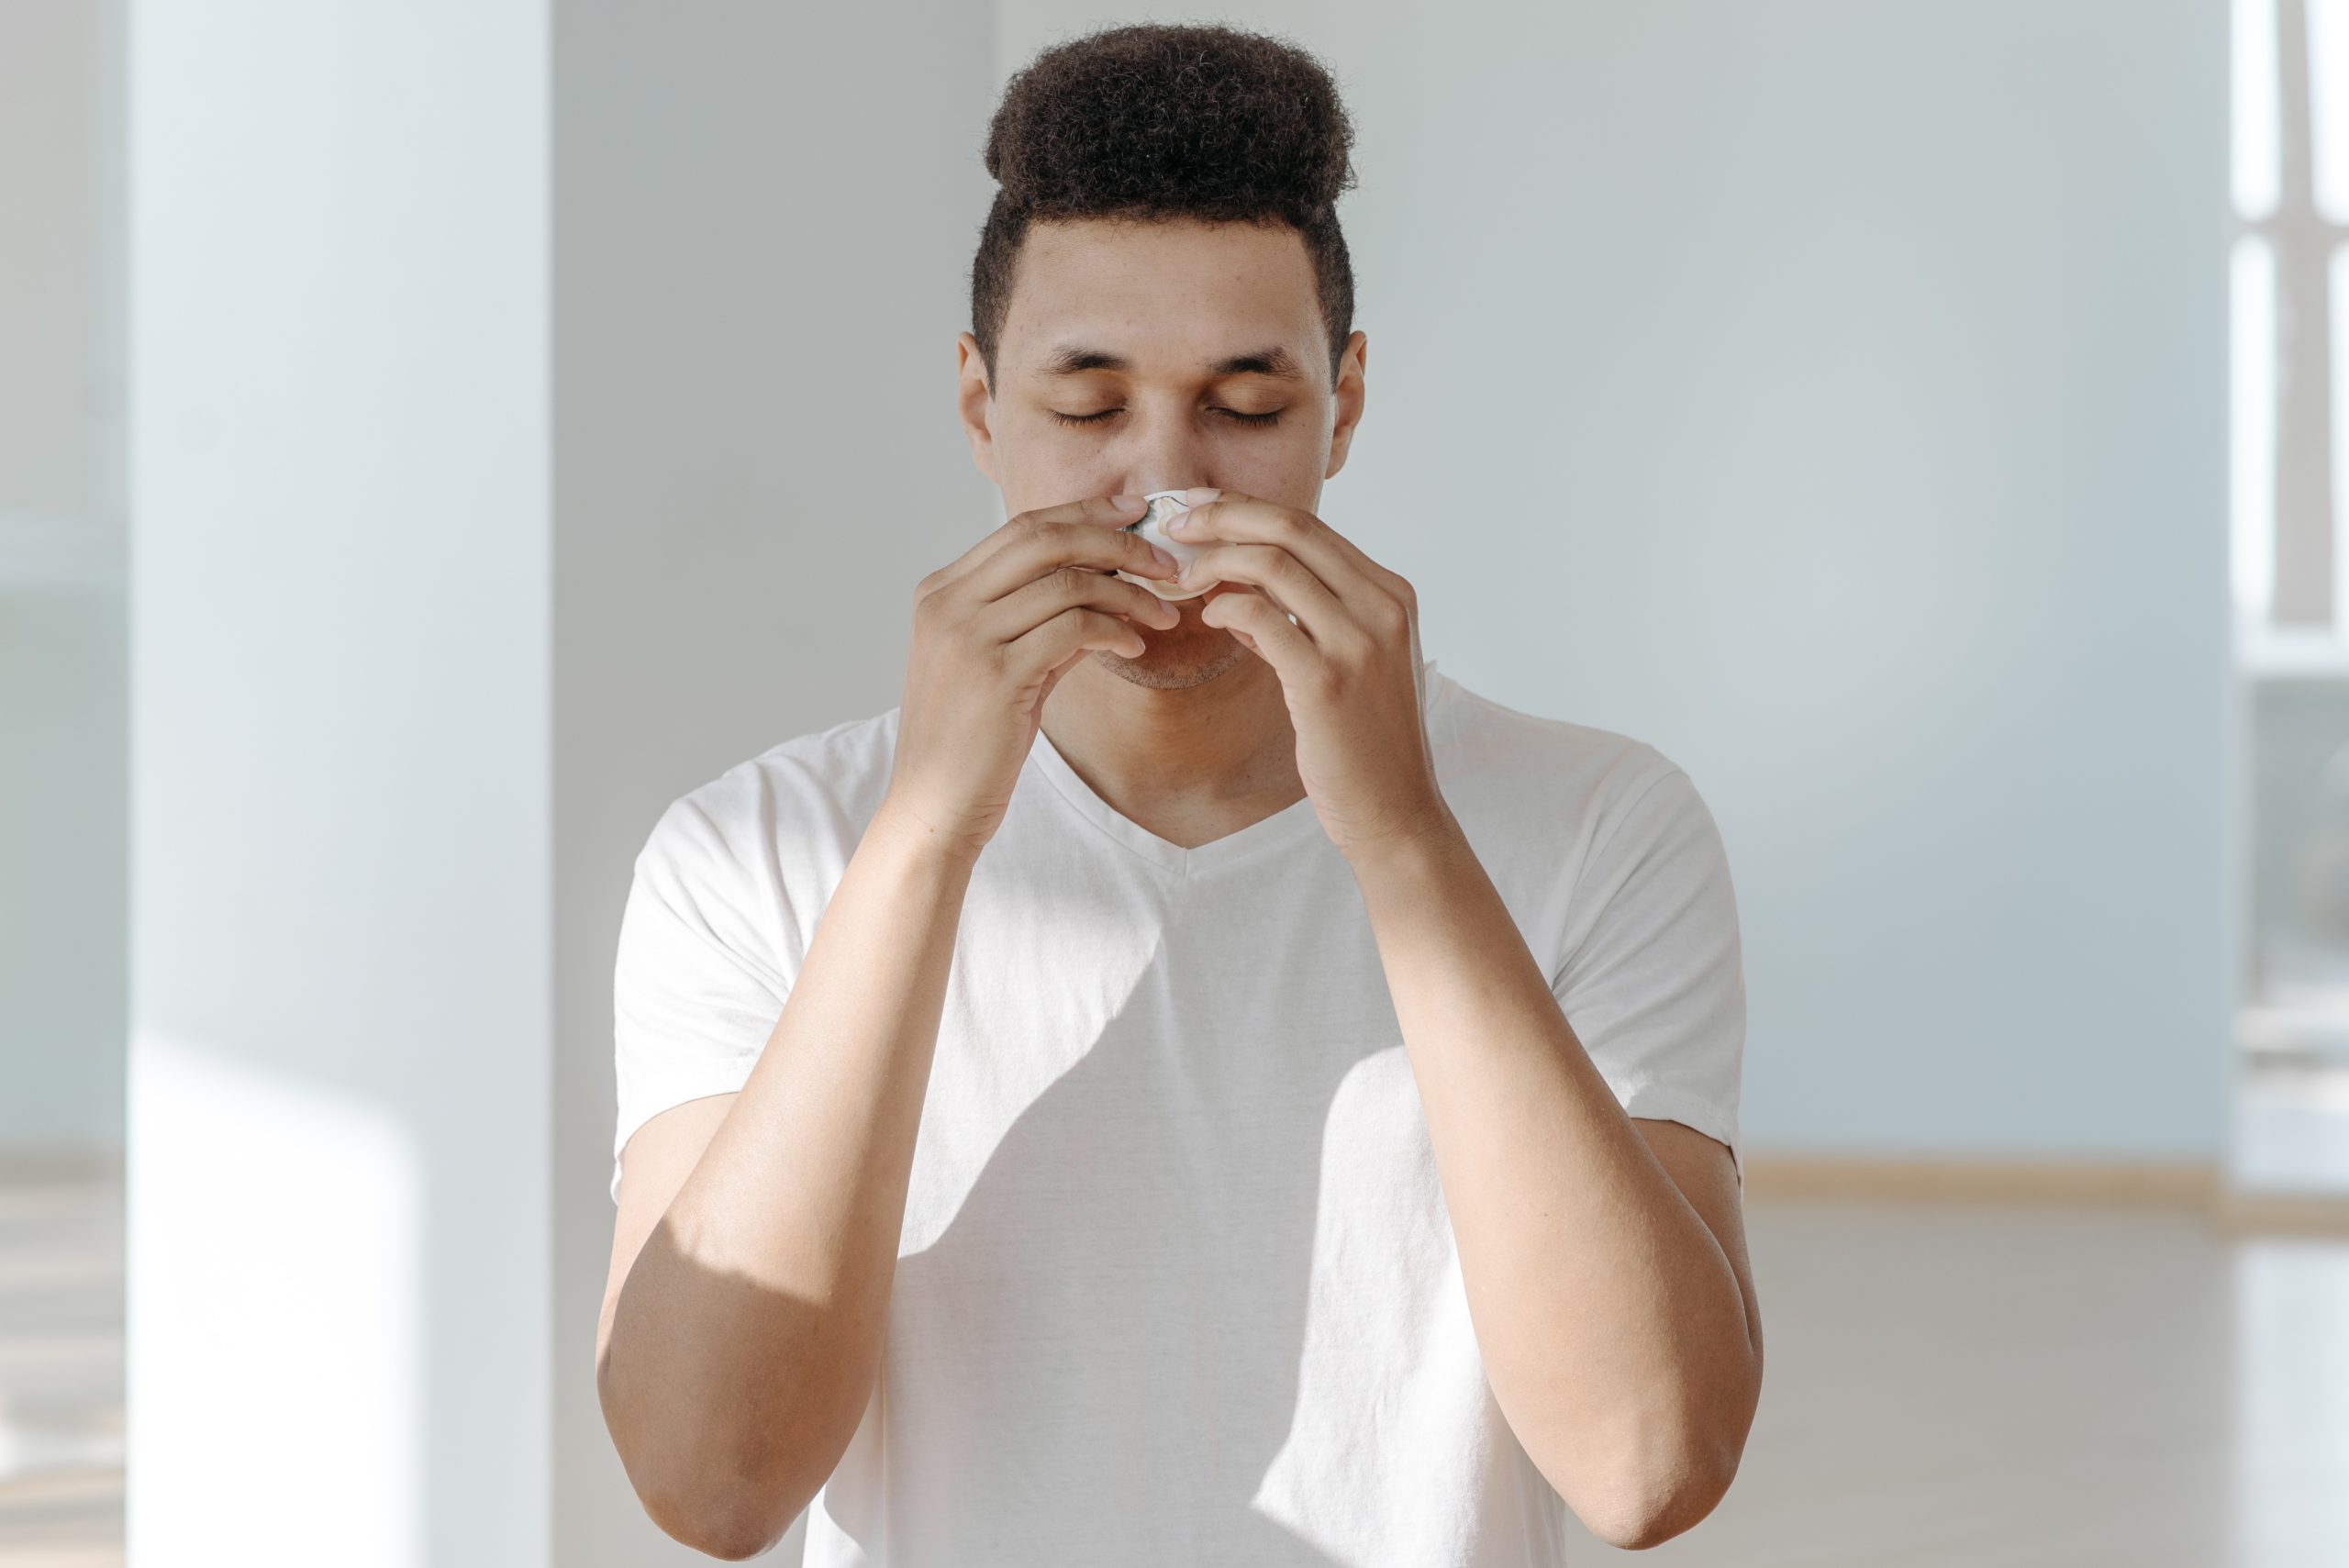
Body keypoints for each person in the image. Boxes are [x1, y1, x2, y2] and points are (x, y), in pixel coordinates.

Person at [594, 21, 1761, 1565]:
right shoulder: (752, 855)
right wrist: (930, 829)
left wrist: (1404, 841)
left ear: (1344, 406)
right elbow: (709, 1478)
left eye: (1249, 407)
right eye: (1087, 407)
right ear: (977, 405)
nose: (1164, 484)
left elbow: (1647, 1463)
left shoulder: (1602, 826)